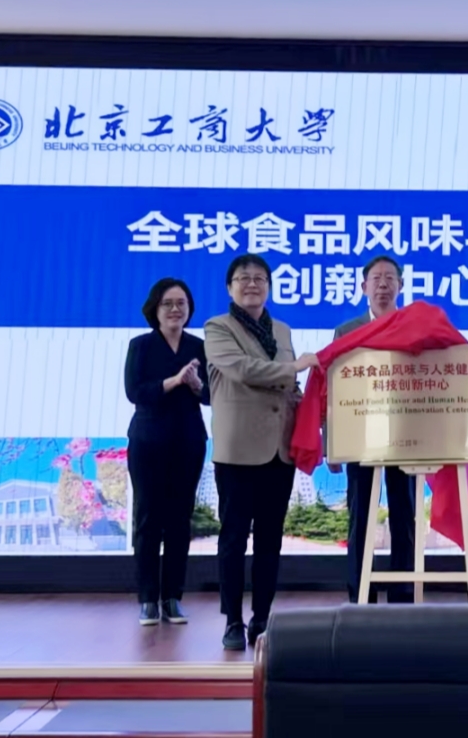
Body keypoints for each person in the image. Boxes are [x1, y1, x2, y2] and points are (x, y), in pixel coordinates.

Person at [204, 253, 319, 651]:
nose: (252, 284)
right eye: (243, 278)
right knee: (233, 539)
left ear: (269, 286)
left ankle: (262, 618)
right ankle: (232, 621)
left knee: (270, 540)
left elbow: (288, 387)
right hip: (238, 449)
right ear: (230, 287)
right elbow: (243, 370)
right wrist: (296, 368)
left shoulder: (282, 330)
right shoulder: (217, 328)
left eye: (259, 278)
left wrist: (311, 406)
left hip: (279, 450)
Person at [123, 277, 210, 627]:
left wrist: (196, 383)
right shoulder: (141, 345)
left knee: (179, 520)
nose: (175, 309)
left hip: (188, 440)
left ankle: (172, 597)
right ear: (155, 309)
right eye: (168, 303)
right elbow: (135, 392)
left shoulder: (199, 346)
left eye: (181, 303)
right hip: (148, 440)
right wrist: (175, 381)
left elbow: (211, 395)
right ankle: (147, 598)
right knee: (148, 518)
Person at [330, 255, 416, 604]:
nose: (383, 285)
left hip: (409, 438)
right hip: (359, 439)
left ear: (401, 285)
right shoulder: (346, 331)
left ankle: (403, 595)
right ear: (364, 286)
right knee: (361, 519)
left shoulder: (416, 326)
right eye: (376, 279)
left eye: (390, 278)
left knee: (404, 518)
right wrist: (332, 443)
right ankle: (360, 596)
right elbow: (332, 390)